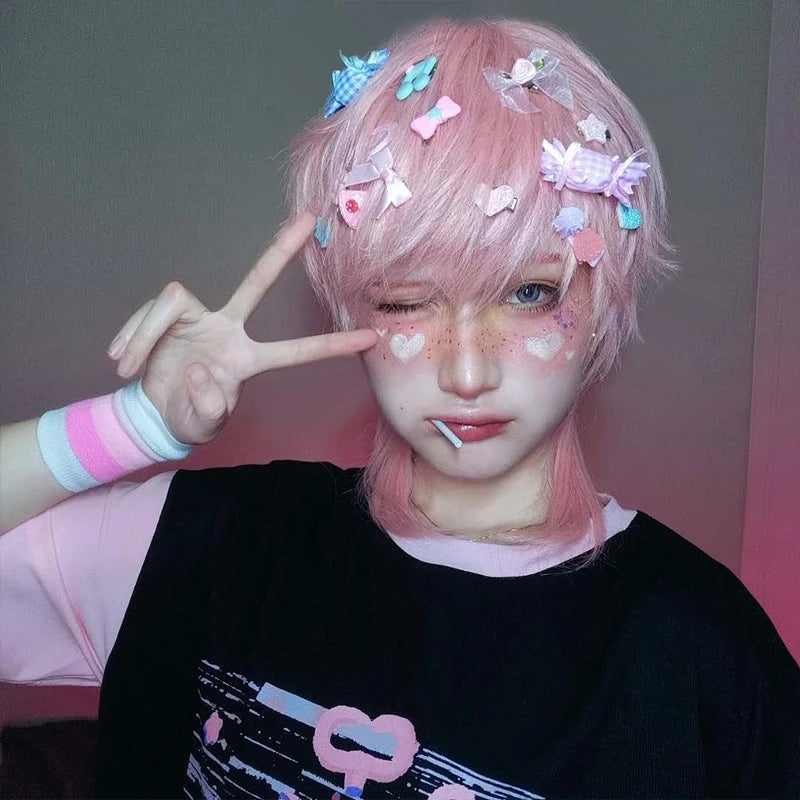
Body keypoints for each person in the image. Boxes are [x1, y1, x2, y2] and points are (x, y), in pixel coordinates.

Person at [1, 15, 799, 800]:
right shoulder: (210, 542)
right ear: (352, 312)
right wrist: (132, 426)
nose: (466, 371)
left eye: (529, 293)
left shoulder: (704, 651)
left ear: (602, 306)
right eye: (408, 301)